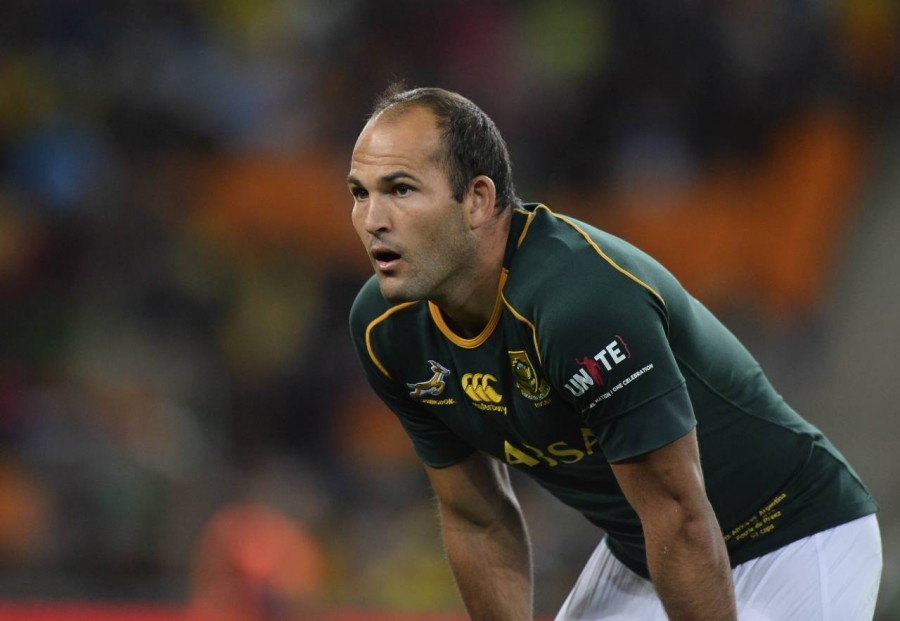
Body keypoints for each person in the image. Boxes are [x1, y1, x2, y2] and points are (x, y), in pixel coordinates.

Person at [347, 83, 882, 620]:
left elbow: (680, 516)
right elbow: (477, 520)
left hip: (793, 535)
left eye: (400, 189)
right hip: (648, 547)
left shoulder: (579, 304)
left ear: (478, 200)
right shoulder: (384, 329)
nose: (372, 220)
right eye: (360, 193)